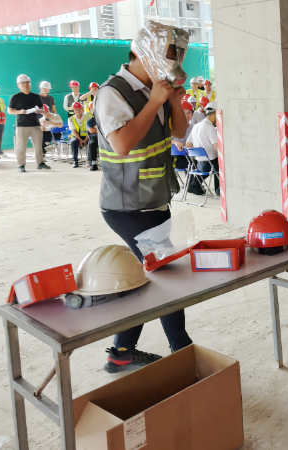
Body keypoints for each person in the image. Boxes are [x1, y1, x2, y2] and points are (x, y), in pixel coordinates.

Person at [94, 20, 191, 372]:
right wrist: (154, 102)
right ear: (141, 53)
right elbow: (121, 145)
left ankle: (121, 351)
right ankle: (183, 349)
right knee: (165, 276)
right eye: (166, 57)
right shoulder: (113, 93)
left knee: (150, 276)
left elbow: (179, 133)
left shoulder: (158, 89)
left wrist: (173, 101)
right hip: (127, 205)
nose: (171, 65)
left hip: (155, 200)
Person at [8, 74, 49, 173]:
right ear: (18, 85)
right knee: (21, 147)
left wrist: (39, 111)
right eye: (23, 83)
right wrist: (20, 112)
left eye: (27, 83)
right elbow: (9, 110)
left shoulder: (36, 96)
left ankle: (40, 163)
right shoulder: (15, 97)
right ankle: (21, 165)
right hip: (22, 125)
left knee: (38, 146)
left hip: (35, 124)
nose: (26, 85)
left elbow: (41, 108)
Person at [186, 102, 220, 195]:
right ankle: (219, 189)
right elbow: (218, 148)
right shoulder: (210, 127)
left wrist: (199, 147)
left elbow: (188, 145)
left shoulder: (196, 126)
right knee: (223, 162)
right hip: (210, 163)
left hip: (198, 162)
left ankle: (194, 184)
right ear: (215, 114)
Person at [68, 102, 89, 168]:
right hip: (76, 136)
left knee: (92, 141)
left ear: (82, 109)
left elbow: (89, 130)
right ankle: (75, 161)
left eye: (79, 109)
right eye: (75, 109)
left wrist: (85, 140)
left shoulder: (88, 118)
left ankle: (91, 160)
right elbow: (74, 131)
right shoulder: (70, 119)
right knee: (73, 142)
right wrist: (80, 140)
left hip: (86, 136)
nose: (77, 111)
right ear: (73, 110)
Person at [86, 100, 99, 171]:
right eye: (92, 109)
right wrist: (101, 130)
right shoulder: (90, 121)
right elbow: (91, 131)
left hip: (105, 137)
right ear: (90, 110)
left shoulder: (104, 119)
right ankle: (93, 163)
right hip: (95, 138)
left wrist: (96, 128)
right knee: (92, 143)